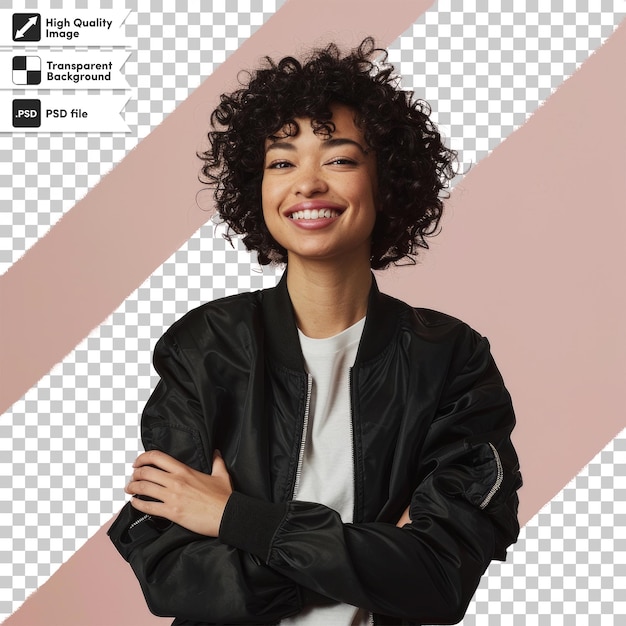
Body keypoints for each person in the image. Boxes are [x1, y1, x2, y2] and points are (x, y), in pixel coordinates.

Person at [108, 38, 522, 625]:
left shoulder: (450, 359)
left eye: (340, 159)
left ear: (387, 183)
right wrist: (373, 562)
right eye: (282, 162)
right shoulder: (205, 348)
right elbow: (172, 575)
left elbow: (439, 577)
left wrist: (236, 519)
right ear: (259, 187)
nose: (307, 183)